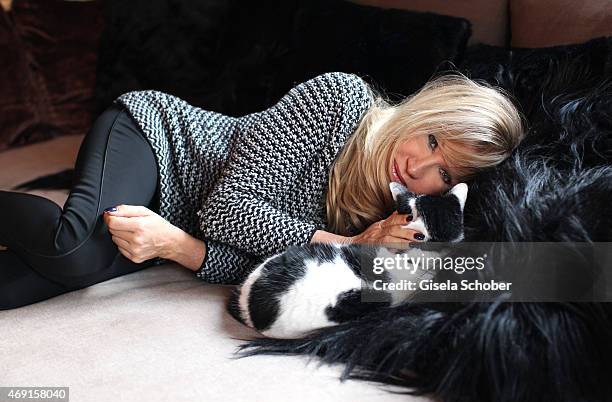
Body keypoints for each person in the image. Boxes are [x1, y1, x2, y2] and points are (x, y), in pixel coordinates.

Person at [0, 71, 526, 309]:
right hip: (155, 140)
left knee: (17, 289)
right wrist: (347, 247)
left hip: (169, 222)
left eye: (446, 173)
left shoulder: (384, 214)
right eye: (431, 139)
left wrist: (176, 248)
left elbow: (262, 265)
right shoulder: (339, 101)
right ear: (422, 113)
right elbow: (228, 212)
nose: (419, 166)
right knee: (73, 249)